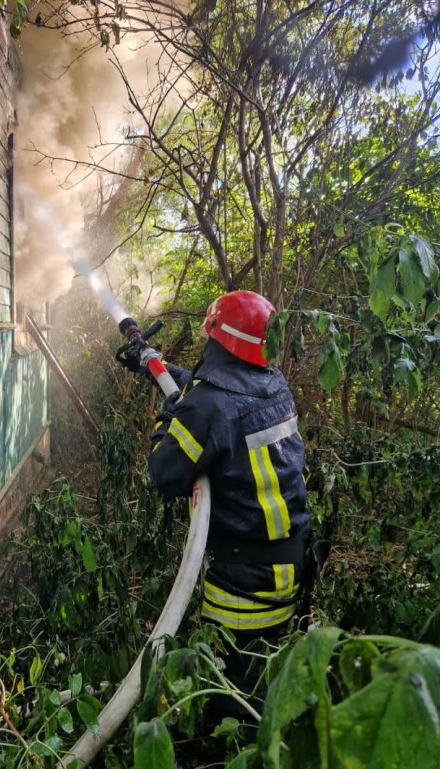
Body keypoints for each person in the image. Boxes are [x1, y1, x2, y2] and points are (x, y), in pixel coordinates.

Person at [147, 290, 310, 735]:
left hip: (243, 586)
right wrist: (154, 366)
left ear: (218, 339)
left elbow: (164, 473)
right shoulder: (273, 384)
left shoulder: (208, 407)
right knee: (268, 682)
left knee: (232, 708)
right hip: (289, 568)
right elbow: (219, 398)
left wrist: (169, 417)